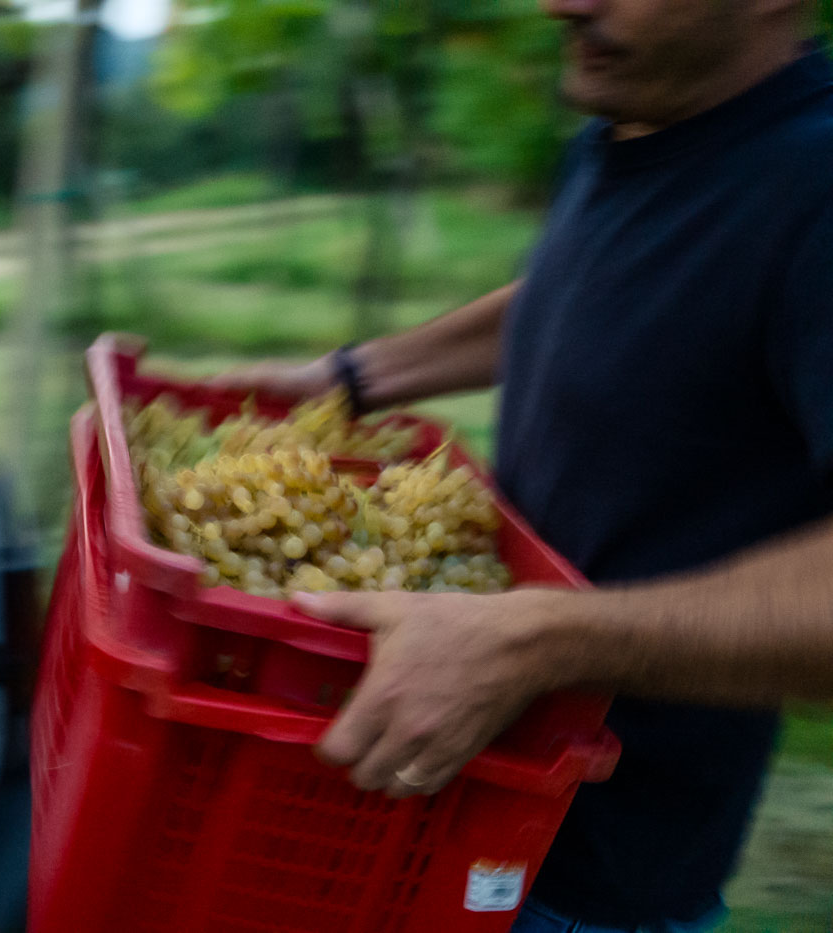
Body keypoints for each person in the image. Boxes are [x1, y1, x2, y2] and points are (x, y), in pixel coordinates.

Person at [211, 0, 833, 930]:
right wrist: (349, 377)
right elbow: (596, 285)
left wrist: (540, 640)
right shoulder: (633, 120)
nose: (562, 3)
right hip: (443, 804)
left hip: (584, 876)